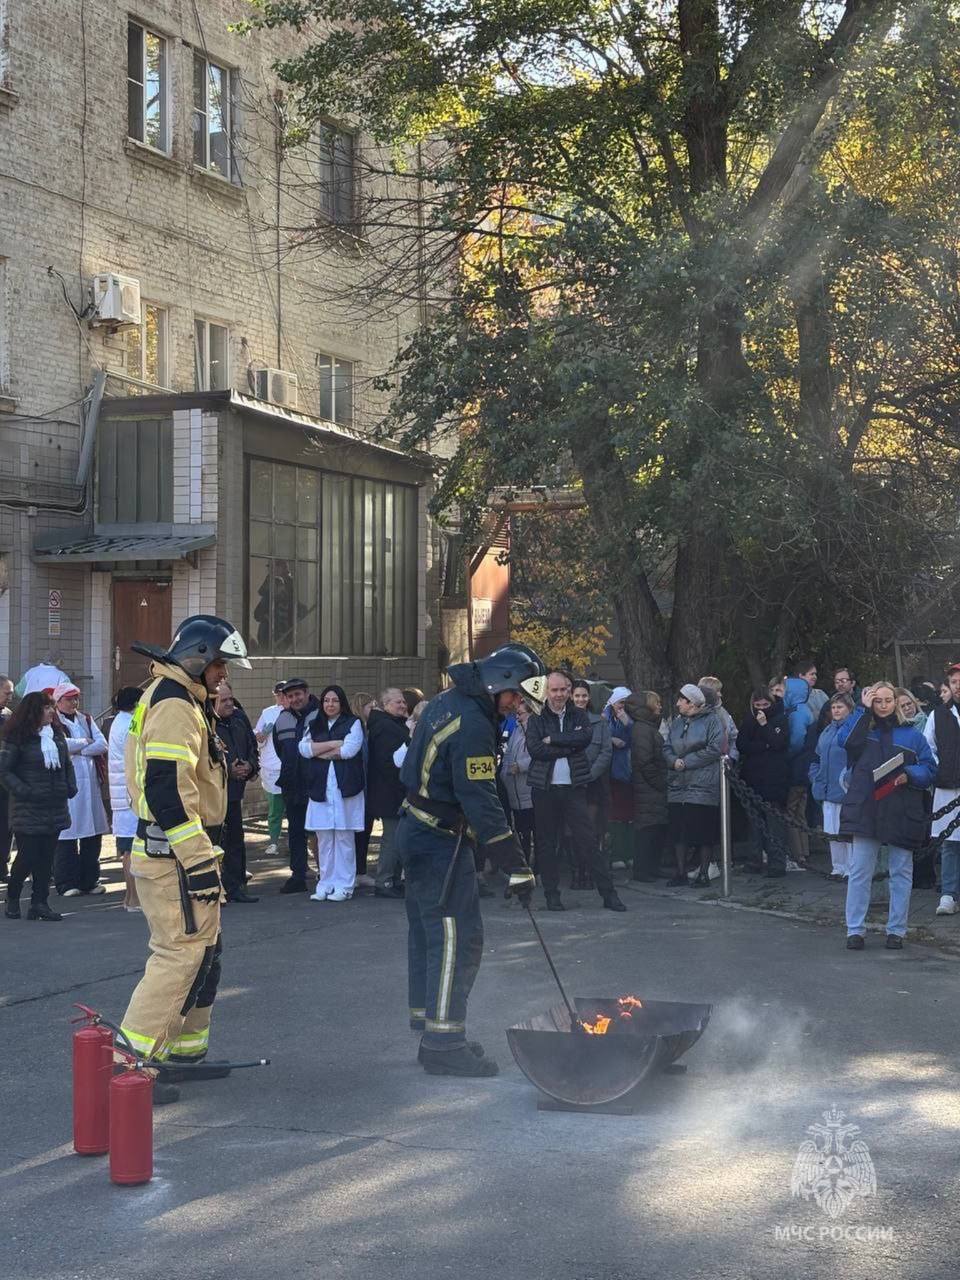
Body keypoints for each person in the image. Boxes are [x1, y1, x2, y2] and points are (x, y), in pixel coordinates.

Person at [397, 642, 544, 1078]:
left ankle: (433, 1029)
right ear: (497, 683)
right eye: (515, 695)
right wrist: (516, 866)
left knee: (430, 935)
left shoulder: (451, 700)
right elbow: (480, 800)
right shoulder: (474, 723)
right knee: (455, 939)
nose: (517, 704)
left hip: (420, 830)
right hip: (437, 840)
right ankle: (444, 1044)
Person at [120, 614, 250, 1101]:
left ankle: (181, 1056)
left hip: (181, 851)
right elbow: (167, 792)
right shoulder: (175, 704)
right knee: (180, 956)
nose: (224, 674)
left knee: (204, 956)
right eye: (219, 665)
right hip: (175, 856)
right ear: (198, 658)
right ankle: (128, 1066)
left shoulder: (181, 698)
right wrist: (197, 861)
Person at [838, 682, 935, 950]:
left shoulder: (912, 736)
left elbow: (929, 768)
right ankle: (855, 929)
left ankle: (896, 931)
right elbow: (845, 741)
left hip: (901, 807)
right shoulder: (863, 730)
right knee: (860, 870)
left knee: (901, 871)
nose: (883, 705)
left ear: (896, 701)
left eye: (888, 700)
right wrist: (861, 710)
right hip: (867, 807)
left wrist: (910, 774)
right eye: (877, 701)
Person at [526, 670, 626, 912]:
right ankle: (552, 895)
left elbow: (583, 739)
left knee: (588, 840)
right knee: (546, 843)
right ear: (546, 691)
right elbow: (536, 749)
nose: (559, 694)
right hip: (545, 788)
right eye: (554, 690)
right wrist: (568, 745)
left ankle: (609, 894)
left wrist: (554, 739)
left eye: (563, 690)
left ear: (569, 691)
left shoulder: (579, 715)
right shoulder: (537, 717)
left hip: (574, 788)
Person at [0, 692, 76, 921]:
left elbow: (67, 764)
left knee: (46, 858)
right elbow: (4, 770)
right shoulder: (17, 737)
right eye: (47, 708)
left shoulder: (57, 735)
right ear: (34, 711)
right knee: (28, 856)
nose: (52, 711)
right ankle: (13, 896)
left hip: (55, 806)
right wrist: (25, 791)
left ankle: (39, 903)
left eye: (52, 707)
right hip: (28, 808)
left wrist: (70, 786)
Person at [300, 685, 365, 903]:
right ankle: (325, 883)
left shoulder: (353, 723)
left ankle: (344, 885)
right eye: (326, 700)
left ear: (342, 702)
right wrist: (332, 744)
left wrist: (317, 750)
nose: (330, 704)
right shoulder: (314, 723)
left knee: (344, 838)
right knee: (324, 839)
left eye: (334, 700)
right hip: (320, 788)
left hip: (345, 788)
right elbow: (304, 749)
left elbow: (348, 751)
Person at [663, 684, 725, 886]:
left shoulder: (712, 720)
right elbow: (667, 746)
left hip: (702, 784)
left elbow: (714, 748)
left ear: (691, 703)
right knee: (678, 832)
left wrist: (687, 762)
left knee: (703, 832)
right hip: (678, 784)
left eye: (681, 700)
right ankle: (680, 872)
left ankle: (703, 873)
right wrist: (673, 761)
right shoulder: (677, 723)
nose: (677, 703)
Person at [52, 683, 109, 898]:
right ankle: (66, 882)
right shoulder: (53, 721)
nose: (74, 702)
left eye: (76, 698)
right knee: (67, 836)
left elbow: (102, 744)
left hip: (90, 785)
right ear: (58, 701)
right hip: (67, 785)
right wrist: (85, 742)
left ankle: (90, 880)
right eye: (69, 699)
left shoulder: (86, 719)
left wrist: (80, 750)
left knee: (92, 836)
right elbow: (60, 745)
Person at [272, 677, 321, 893]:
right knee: (295, 832)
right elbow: (280, 749)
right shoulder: (282, 719)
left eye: (298, 694)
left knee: (321, 832)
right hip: (292, 784)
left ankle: (327, 875)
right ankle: (298, 876)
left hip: (316, 783)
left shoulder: (321, 714)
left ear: (307, 693)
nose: (295, 699)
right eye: (290, 696)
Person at [736, 688, 791, 877]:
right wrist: (764, 746)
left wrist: (765, 726)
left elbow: (778, 743)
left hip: (774, 778)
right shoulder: (749, 720)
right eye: (757, 705)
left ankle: (777, 863)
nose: (761, 709)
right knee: (754, 823)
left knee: (774, 824)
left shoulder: (781, 719)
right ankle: (754, 860)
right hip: (753, 777)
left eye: (765, 705)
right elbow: (742, 745)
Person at [213, 682, 260, 903]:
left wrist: (250, 766)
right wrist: (227, 770)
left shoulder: (239, 718)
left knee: (235, 840)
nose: (229, 703)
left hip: (234, 793)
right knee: (215, 842)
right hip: (213, 794)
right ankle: (216, 888)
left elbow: (252, 746)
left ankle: (237, 886)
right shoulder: (207, 722)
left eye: (231, 698)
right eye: (223, 700)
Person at [924, 662, 960, 916]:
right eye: (954, 682)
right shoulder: (938, 715)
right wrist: (942, 768)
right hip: (949, 785)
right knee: (950, 843)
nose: (958, 687)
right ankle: (949, 893)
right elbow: (929, 746)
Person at [366, 688, 410, 899]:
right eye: (397, 702)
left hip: (394, 791)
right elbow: (389, 763)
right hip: (390, 792)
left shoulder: (392, 724)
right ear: (385, 705)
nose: (402, 705)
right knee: (392, 838)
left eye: (403, 702)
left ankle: (393, 880)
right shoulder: (385, 727)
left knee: (398, 838)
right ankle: (384, 881)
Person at [809, 693, 855, 881]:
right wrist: (815, 777)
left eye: (840, 707)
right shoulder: (827, 731)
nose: (836, 710)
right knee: (832, 831)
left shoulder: (853, 730)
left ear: (849, 709)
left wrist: (848, 779)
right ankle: (838, 866)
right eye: (834, 707)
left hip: (844, 789)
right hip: (827, 789)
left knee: (847, 831)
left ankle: (851, 867)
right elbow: (817, 757)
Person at [624, 691, 667, 881]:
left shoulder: (646, 726)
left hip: (650, 785)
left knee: (654, 828)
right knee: (647, 830)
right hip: (649, 786)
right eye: (656, 703)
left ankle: (651, 867)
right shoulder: (642, 729)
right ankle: (643, 870)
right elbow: (644, 760)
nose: (660, 706)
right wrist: (660, 782)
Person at [108, 686, 143, 911]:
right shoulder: (130, 724)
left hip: (122, 794)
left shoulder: (119, 721)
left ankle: (130, 898)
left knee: (128, 850)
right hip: (129, 794)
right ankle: (134, 899)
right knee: (132, 849)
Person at [571, 680, 612, 870]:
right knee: (572, 829)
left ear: (589, 698)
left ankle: (591, 869)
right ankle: (577, 869)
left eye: (584, 696)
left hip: (593, 782)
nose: (580, 699)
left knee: (591, 826)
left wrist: (591, 774)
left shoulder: (599, 722)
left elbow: (606, 751)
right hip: (570, 782)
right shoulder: (565, 721)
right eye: (577, 696)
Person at [782, 674, 815, 867]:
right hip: (806, 769)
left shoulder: (795, 713)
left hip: (796, 768)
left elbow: (796, 741)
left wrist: (786, 756)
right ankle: (805, 850)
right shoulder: (806, 709)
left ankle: (797, 854)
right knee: (800, 811)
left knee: (791, 810)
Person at [603, 687, 635, 869]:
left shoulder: (630, 719)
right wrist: (611, 740)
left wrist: (627, 723)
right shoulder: (605, 717)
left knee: (628, 816)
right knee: (614, 816)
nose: (622, 706)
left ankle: (628, 853)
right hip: (609, 772)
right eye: (620, 702)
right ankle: (617, 854)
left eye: (625, 703)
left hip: (626, 771)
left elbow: (634, 739)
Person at [255, 682, 288, 857]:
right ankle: (274, 842)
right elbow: (257, 734)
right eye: (278, 694)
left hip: (290, 767)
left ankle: (297, 843)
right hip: (271, 766)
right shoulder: (268, 712)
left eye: (284, 694)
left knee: (296, 808)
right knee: (275, 809)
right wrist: (261, 735)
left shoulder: (295, 712)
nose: (281, 697)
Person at [500, 699, 535, 863]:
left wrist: (521, 766)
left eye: (520, 714)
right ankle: (525, 863)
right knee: (521, 832)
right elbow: (508, 756)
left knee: (534, 831)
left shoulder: (535, 731)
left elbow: (539, 756)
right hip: (514, 792)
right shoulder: (516, 731)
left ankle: (537, 867)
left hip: (529, 791)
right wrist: (504, 774)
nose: (518, 717)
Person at [351, 692, 378, 885]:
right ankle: (357, 871)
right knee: (358, 832)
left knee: (364, 830)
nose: (374, 710)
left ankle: (360, 870)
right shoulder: (358, 728)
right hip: (361, 787)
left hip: (367, 788)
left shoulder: (369, 728)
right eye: (371, 707)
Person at [698, 676, 738, 760]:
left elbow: (734, 737)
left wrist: (732, 757)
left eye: (720, 691)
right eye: (717, 691)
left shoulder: (723, 713)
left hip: (723, 762)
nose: (720, 694)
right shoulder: (692, 713)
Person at [0, 675, 12, 881]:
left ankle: (2, 866)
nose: (10, 696)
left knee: (6, 823)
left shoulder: (9, 715)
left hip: (6, 778)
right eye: (6, 693)